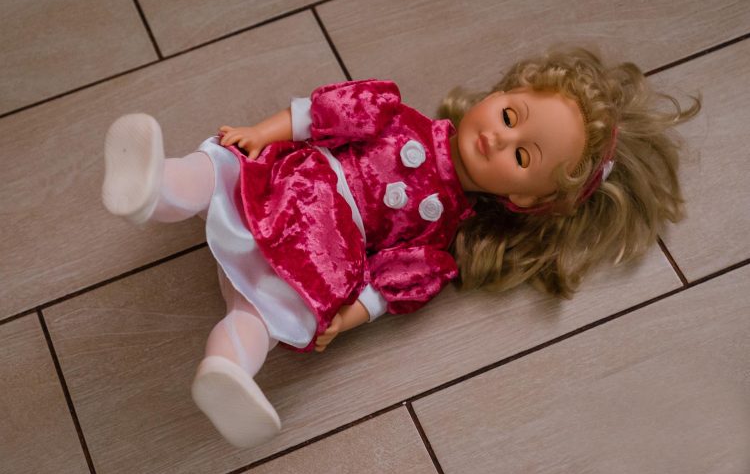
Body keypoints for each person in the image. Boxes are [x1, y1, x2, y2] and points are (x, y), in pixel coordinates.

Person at [101, 48, 699, 448]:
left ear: (524, 199)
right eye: (511, 114)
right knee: (225, 169)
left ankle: (228, 370)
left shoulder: (441, 241)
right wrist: (262, 132)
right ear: (501, 92)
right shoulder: (394, 115)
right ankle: (155, 189)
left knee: (262, 315)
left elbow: (391, 282)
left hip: (321, 251)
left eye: (522, 155)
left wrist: (348, 317)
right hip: (295, 184)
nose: (499, 138)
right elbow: (322, 117)